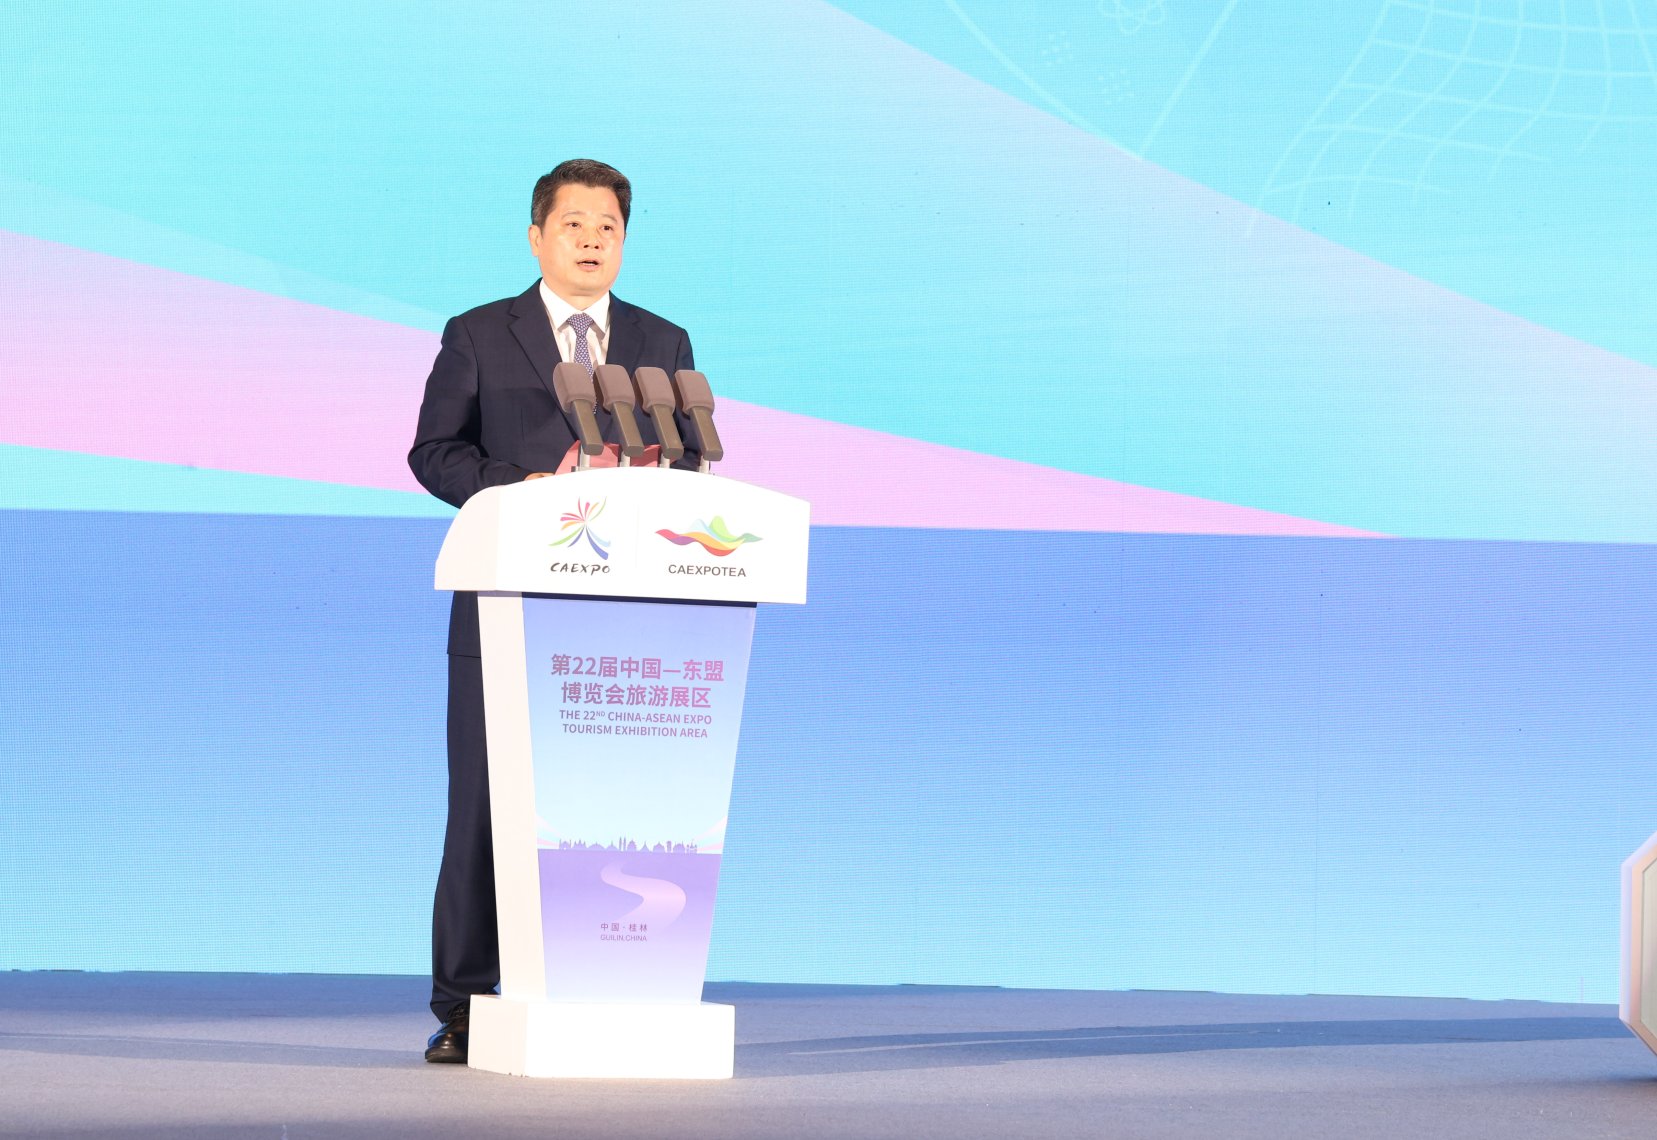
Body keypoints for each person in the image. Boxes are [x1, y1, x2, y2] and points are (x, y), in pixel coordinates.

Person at [408, 159, 698, 1063]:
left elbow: (688, 462)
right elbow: (434, 451)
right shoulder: (478, 333)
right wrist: (524, 486)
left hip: (623, 616)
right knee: (485, 810)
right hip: (506, 605)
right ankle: (465, 1005)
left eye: (607, 227)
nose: (590, 241)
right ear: (537, 236)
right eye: (573, 224)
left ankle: (602, 982)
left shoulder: (661, 340)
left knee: (604, 810)